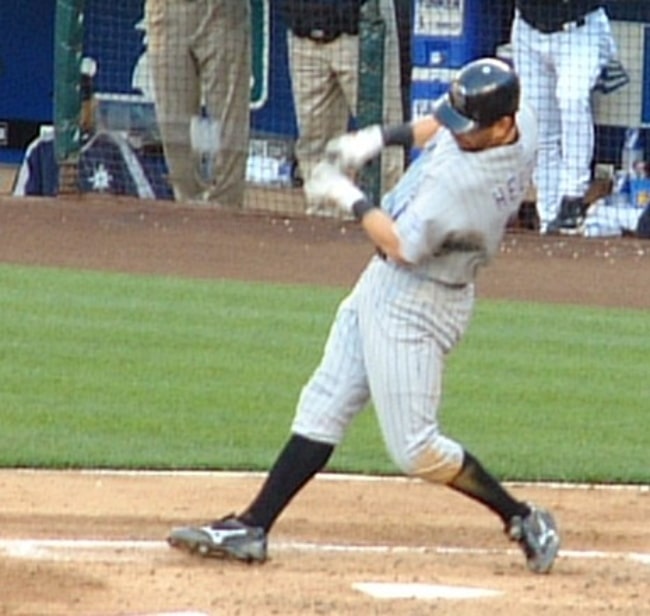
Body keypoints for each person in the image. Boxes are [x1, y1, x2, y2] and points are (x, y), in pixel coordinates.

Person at [167, 58, 561, 574]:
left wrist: (345, 193)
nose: (458, 132)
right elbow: (440, 124)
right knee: (323, 405)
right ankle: (252, 525)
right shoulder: (518, 122)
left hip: (419, 302)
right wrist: (375, 138)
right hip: (385, 288)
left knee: (416, 449)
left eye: (471, 128)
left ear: (502, 126)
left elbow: (399, 245)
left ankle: (524, 516)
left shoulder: (461, 190)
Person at [279, 0, 404, 210]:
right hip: (303, 33)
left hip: (361, 32)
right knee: (314, 137)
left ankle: (388, 214)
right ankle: (324, 219)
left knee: (380, 133)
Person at [511, 1, 616, 234]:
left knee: (571, 98)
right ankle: (548, 215)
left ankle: (573, 197)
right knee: (537, 124)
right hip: (527, 32)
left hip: (578, 31)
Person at [145, 0, 251, 206]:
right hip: (166, 11)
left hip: (222, 11)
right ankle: (187, 207)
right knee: (173, 126)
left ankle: (226, 209)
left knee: (229, 124)